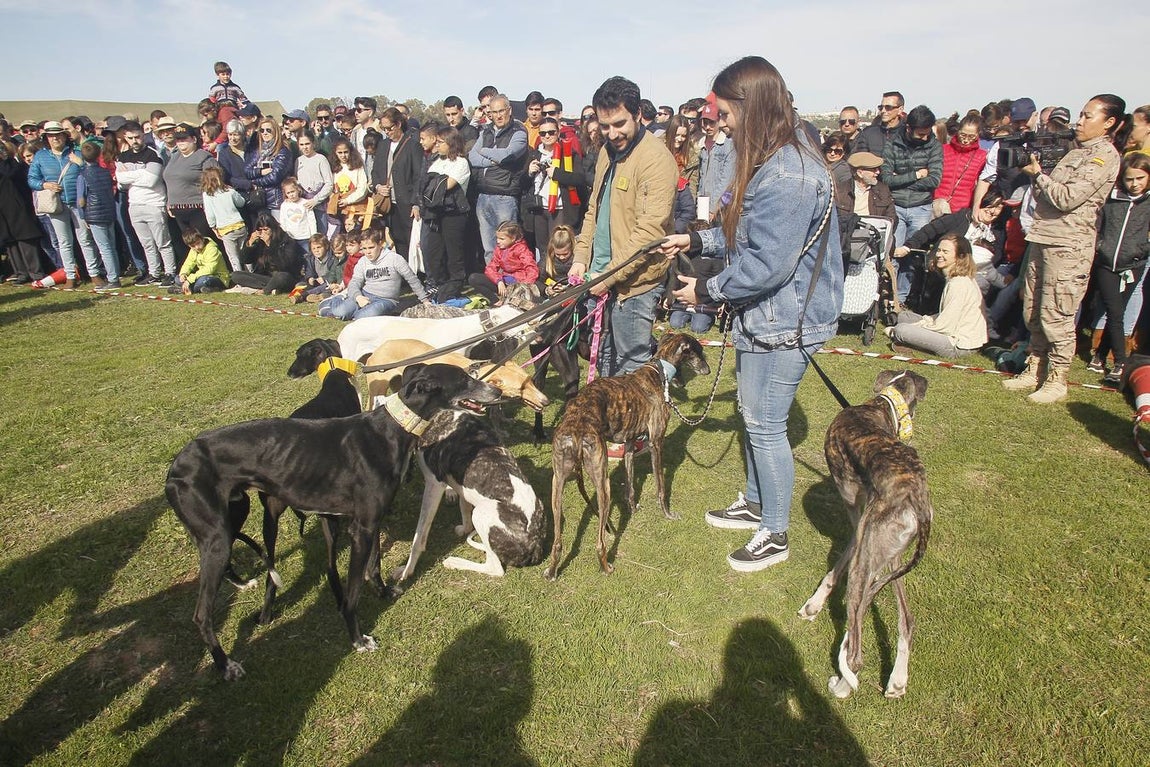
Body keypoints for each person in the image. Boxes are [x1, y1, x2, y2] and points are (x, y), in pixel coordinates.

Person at [661, 56, 843, 572]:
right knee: (751, 415)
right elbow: (750, 232)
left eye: (724, 109)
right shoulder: (776, 157)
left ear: (751, 103)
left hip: (785, 321)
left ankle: (776, 533)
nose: (719, 122)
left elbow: (767, 264)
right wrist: (696, 237)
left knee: (765, 425)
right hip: (765, 316)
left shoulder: (790, 172)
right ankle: (756, 501)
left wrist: (709, 291)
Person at [1004, 95, 1124, 404]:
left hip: (1069, 246)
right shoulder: (1073, 155)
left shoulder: (1104, 157)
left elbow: (1067, 198)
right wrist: (1038, 177)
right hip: (1043, 237)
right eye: (1080, 115)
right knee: (1033, 307)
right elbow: (1046, 197)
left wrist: (1039, 177)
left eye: (1088, 116)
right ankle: (1035, 366)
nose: (1079, 122)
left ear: (1108, 122)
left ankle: (1057, 378)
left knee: (1057, 311)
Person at [570, 75, 677, 378]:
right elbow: (594, 210)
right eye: (605, 126)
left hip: (636, 285)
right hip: (599, 276)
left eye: (619, 124)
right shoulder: (606, 152)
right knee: (603, 360)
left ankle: (641, 425)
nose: (612, 133)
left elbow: (649, 233)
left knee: (633, 374)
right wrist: (580, 258)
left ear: (638, 115)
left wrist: (607, 277)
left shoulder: (657, 161)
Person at [1086, 153, 1150, 385]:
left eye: (1140, 178)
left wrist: (1142, 249)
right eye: (1129, 179)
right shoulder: (1112, 199)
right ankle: (1121, 362)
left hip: (1133, 265)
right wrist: (1101, 247)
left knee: (1117, 311)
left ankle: (1100, 355)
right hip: (1106, 264)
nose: (1134, 184)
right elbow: (1098, 225)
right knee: (1115, 311)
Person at [886, 234, 987, 357]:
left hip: (958, 343)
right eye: (938, 250)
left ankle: (903, 338)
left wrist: (916, 325)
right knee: (904, 316)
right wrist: (924, 321)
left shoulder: (959, 284)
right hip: (951, 329)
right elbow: (946, 315)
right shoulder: (954, 278)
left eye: (945, 252)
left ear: (959, 256)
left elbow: (945, 326)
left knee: (902, 329)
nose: (939, 255)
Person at [26, 121, 100, 288]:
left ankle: (94, 273)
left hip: (78, 202)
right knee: (64, 241)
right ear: (46, 138)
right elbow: (32, 179)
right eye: (51, 136)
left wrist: (80, 163)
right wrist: (45, 185)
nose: (55, 138)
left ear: (65, 136)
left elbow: (91, 171)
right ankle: (71, 276)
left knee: (85, 239)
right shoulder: (40, 156)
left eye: (58, 135)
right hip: (56, 204)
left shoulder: (77, 152)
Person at [884, 105, 943, 301]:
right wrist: (917, 174)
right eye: (920, 134)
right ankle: (889, 293)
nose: (925, 138)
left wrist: (901, 180)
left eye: (927, 134)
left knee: (912, 254)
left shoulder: (934, 146)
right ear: (908, 128)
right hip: (897, 207)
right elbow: (886, 179)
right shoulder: (893, 144)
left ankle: (900, 298)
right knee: (893, 252)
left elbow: (934, 179)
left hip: (921, 207)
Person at [317, 227, 429, 319]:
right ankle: (335, 300)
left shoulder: (395, 259)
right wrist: (358, 297)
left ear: (380, 244)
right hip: (365, 294)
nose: (368, 252)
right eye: (364, 248)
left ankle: (348, 309)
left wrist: (425, 300)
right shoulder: (363, 261)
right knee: (340, 313)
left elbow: (412, 279)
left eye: (371, 247)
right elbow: (355, 282)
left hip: (386, 299)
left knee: (363, 318)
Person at [468, 94, 528, 264]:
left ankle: (511, 287)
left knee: (509, 248)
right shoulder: (486, 131)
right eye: (494, 112)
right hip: (483, 196)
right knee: (489, 249)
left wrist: (484, 151)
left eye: (502, 110)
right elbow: (472, 157)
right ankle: (495, 286)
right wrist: (493, 159)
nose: (498, 115)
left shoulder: (518, 131)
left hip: (505, 197)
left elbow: (507, 154)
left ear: (509, 110)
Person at [116, 121, 177, 286]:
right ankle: (154, 273)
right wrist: (141, 173)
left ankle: (170, 272)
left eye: (137, 137)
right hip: (134, 204)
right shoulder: (122, 157)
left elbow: (151, 180)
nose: (135, 141)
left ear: (143, 135)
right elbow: (120, 182)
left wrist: (130, 175)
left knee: (163, 242)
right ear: (125, 138)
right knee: (147, 243)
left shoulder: (153, 154)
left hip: (154, 203)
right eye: (130, 138)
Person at [421, 124, 471, 301]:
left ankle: (454, 286)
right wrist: (435, 183)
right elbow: (426, 186)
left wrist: (435, 182)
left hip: (454, 214)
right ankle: (440, 285)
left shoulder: (461, 163)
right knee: (434, 253)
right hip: (435, 214)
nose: (437, 145)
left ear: (451, 143)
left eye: (441, 142)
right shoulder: (437, 161)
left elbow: (446, 186)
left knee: (453, 255)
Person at [525, 117, 584, 256]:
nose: (547, 136)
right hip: (539, 208)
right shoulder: (534, 154)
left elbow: (580, 179)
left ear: (558, 133)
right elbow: (521, 183)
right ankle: (545, 275)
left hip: (560, 208)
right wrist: (529, 172)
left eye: (551, 132)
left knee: (560, 247)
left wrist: (557, 173)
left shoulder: (569, 153)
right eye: (543, 133)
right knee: (543, 248)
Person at [162, 125, 218, 264]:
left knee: (202, 244)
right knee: (186, 246)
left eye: (184, 139)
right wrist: (169, 201)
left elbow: (213, 182)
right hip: (177, 210)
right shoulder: (174, 157)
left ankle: (211, 273)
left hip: (198, 209)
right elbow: (170, 180)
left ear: (193, 139)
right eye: (178, 139)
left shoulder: (204, 157)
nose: (181, 142)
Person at [373, 107, 423, 260]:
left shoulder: (412, 145)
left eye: (389, 128)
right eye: (384, 129)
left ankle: (418, 275)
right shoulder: (382, 145)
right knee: (396, 238)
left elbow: (419, 176)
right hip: (389, 204)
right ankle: (404, 272)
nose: (387, 132)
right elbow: (375, 172)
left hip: (406, 202)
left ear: (399, 124)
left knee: (412, 240)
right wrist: (378, 187)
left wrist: (416, 203)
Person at [75, 141, 121, 288]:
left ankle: (113, 279)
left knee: (104, 248)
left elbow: (81, 200)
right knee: (111, 246)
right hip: (108, 211)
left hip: (94, 214)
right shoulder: (105, 172)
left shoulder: (83, 175)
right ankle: (115, 275)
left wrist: (83, 216)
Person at [0, 138, 45, 284]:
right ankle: (21, 273)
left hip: (17, 206)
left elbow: (9, 174)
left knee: (25, 239)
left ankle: (36, 272)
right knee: (10, 241)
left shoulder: (12, 165)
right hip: (3, 209)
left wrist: (4, 158)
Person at [467, 221, 538, 304]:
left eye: (502, 239)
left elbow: (532, 268)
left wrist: (525, 285)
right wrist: (499, 281)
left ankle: (513, 300)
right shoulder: (499, 249)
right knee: (474, 278)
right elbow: (490, 268)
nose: (498, 241)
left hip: (518, 284)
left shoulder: (522, 249)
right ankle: (496, 301)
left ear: (513, 238)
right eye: (497, 238)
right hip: (504, 283)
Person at [232, 212, 303, 295]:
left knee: (281, 277)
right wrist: (249, 244)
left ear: (273, 229)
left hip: (284, 275)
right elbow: (244, 260)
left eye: (266, 229)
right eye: (260, 230)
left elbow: (285, 264)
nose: (263, 232)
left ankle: (265, 290)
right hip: (265, 277)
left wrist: (270, 245)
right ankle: (272, 287)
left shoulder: (286, 241)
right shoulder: (258, 242)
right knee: (235, 275)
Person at [935, 114, 987, 216]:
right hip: (937, 205)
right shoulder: (942, 150)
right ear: (958, 131)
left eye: (971, 136)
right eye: (963, 135)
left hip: (962, 210)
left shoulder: (982, 156)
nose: (966, 140)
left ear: (978, 134)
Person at [244, 118, 294, 222]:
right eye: (262, 130)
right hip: (261, 200)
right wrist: (260, 172)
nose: (265, 133)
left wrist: (254, 181)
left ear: (275, 132)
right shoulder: (259, 151)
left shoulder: (282, 151)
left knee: (279, 233)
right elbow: (246, 171)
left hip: (276, 200)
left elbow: (274, 177)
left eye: (268, 130)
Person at [200, 165, 247, 272]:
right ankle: (251, 274)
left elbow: (210, 214)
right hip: (239, 224)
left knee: (233, 256)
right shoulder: (229, 191)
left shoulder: (207, 195)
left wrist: (213, 227)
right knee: (244, 252)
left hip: (225, 229)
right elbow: (241, 203)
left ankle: (239, 277)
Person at [697, 99, 735, 222]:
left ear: (719, 121)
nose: (708, 127)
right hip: (703, 202)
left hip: (722, 204)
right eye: (705, 122)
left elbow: (727, 180)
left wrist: (714, 208)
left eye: (712, 123)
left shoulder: (728, 145)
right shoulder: (700, 145)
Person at [328, 139, 369, 232]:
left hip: (355, 206)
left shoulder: (357, 166)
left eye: (346, 152)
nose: (343, 155)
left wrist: (347, 200)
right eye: (340, 153)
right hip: (338, 207)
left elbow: (362, 188)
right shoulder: (333, 167)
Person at [295, 132, 332, 234]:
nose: (305, 147)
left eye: (307, 144)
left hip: (319, 203)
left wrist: (316, 200)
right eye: (302, 145)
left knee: (322, 234)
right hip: (304, 203)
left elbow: (329, 183)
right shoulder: (298, 160)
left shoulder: (321, 159)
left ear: (313, 143)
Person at [174, 228, 229, 294]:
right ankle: (199, 288)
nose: (197, 247)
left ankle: (184, 289)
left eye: (198, 243)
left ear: (202, 239)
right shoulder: (193, 250)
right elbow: (188, 263)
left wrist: (190, 280)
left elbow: (209, 269)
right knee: (177, 279)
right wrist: (183, 274)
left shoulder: (212, 249)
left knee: (202, 281)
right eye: (193, 246)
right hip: (200, 276)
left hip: (217, 277)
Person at [853, 91, 905, 156]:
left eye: (888, 107)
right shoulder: (868, 133)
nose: (883, 111)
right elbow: (861, 160)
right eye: (881, 107)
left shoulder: (907, 133)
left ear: (900, 109)